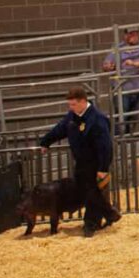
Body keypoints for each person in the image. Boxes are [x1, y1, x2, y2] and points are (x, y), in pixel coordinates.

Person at [38, 87, 121, 238]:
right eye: (69, 105)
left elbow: (105, 145)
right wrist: (45, 142)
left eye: (73, 104)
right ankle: (109, 213)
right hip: (81, 162)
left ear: (83, 101)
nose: (71, 108)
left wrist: (103, 167)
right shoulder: (72, 117)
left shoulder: (97, 118)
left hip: (95, 162)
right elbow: (59, 130)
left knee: (90, 192)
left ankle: (91, 224)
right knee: (87, 192)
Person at [101, 27, 139, 134]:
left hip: (138, 87)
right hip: (121, 87)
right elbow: (106, 64)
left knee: (134, 114)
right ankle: (119, 138)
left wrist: (134, 63)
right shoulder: (117, 48)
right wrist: (109, 66)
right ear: (125, 36)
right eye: (131, 34)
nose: (134, 36)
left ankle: (130, 137)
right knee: (121, 114)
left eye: (136, 34)